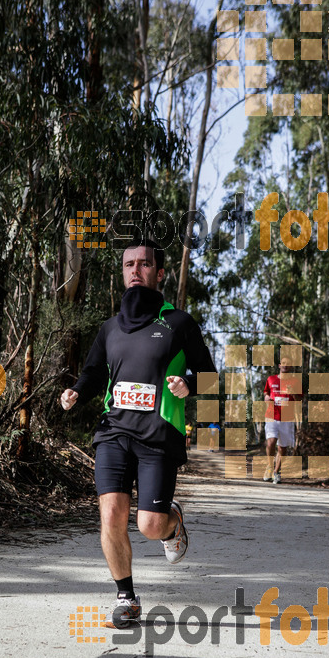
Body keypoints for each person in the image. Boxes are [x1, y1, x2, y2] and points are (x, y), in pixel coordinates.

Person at [60, 239, 216, 626]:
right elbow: (95, 371)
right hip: (113, 431)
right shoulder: (109, 328)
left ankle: (172, 523)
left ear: (159, 273)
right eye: (129, 264)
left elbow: (210, 376)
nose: (135, 270)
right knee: (111, 514)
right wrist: (77, 390)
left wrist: (189, 386)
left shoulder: (179, 323)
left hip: (159, 436)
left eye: (144, 264)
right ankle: (126, 597)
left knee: (149, 525)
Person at [263, 356, 303, 484]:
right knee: (271, 443)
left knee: (282, 448)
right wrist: (267, 398)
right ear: (279, 365)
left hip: (287, 418)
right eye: (283, 363)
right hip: (271, 415)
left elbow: (299, 400)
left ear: (290, 367)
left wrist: (293, 394)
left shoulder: (295, 382)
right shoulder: (271, 379)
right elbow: (266, 393)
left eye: (288, 364)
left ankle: (276, 472)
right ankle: (269, 466)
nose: (285, 366)